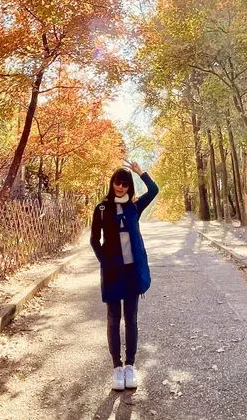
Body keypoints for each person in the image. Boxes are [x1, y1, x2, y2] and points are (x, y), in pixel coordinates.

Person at [90, 160, 159, 391]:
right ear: (112, 183)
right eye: (117, 182)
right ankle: (117, 368)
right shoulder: (101, 208)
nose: (120, 187)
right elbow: (94, 239)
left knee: (131, 318)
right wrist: (104, 260)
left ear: (129, 186)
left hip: (131, 272)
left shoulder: (134, 207)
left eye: (124, 184)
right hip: (112, 272)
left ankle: (130, 365)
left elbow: (154, 190)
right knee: (113, 318)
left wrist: (140, 173)